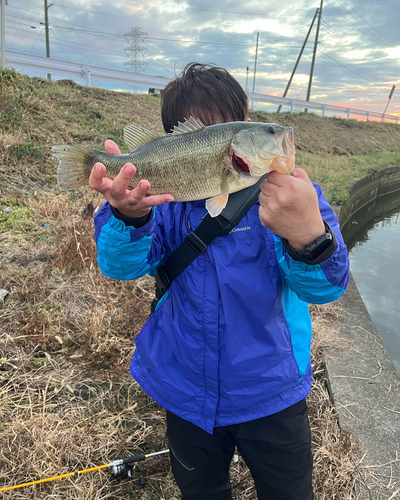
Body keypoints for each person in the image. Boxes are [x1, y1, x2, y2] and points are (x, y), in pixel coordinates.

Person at [90, 63, 350, 500]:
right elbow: (121, 266)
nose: (277, 134)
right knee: (200, 490)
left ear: (242, 120)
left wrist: (309, 234)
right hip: (184, 386)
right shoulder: (162, 202)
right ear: (173, 138)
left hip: (271, 391)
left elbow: (324, 288)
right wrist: (127, 214)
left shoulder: (293, 200)